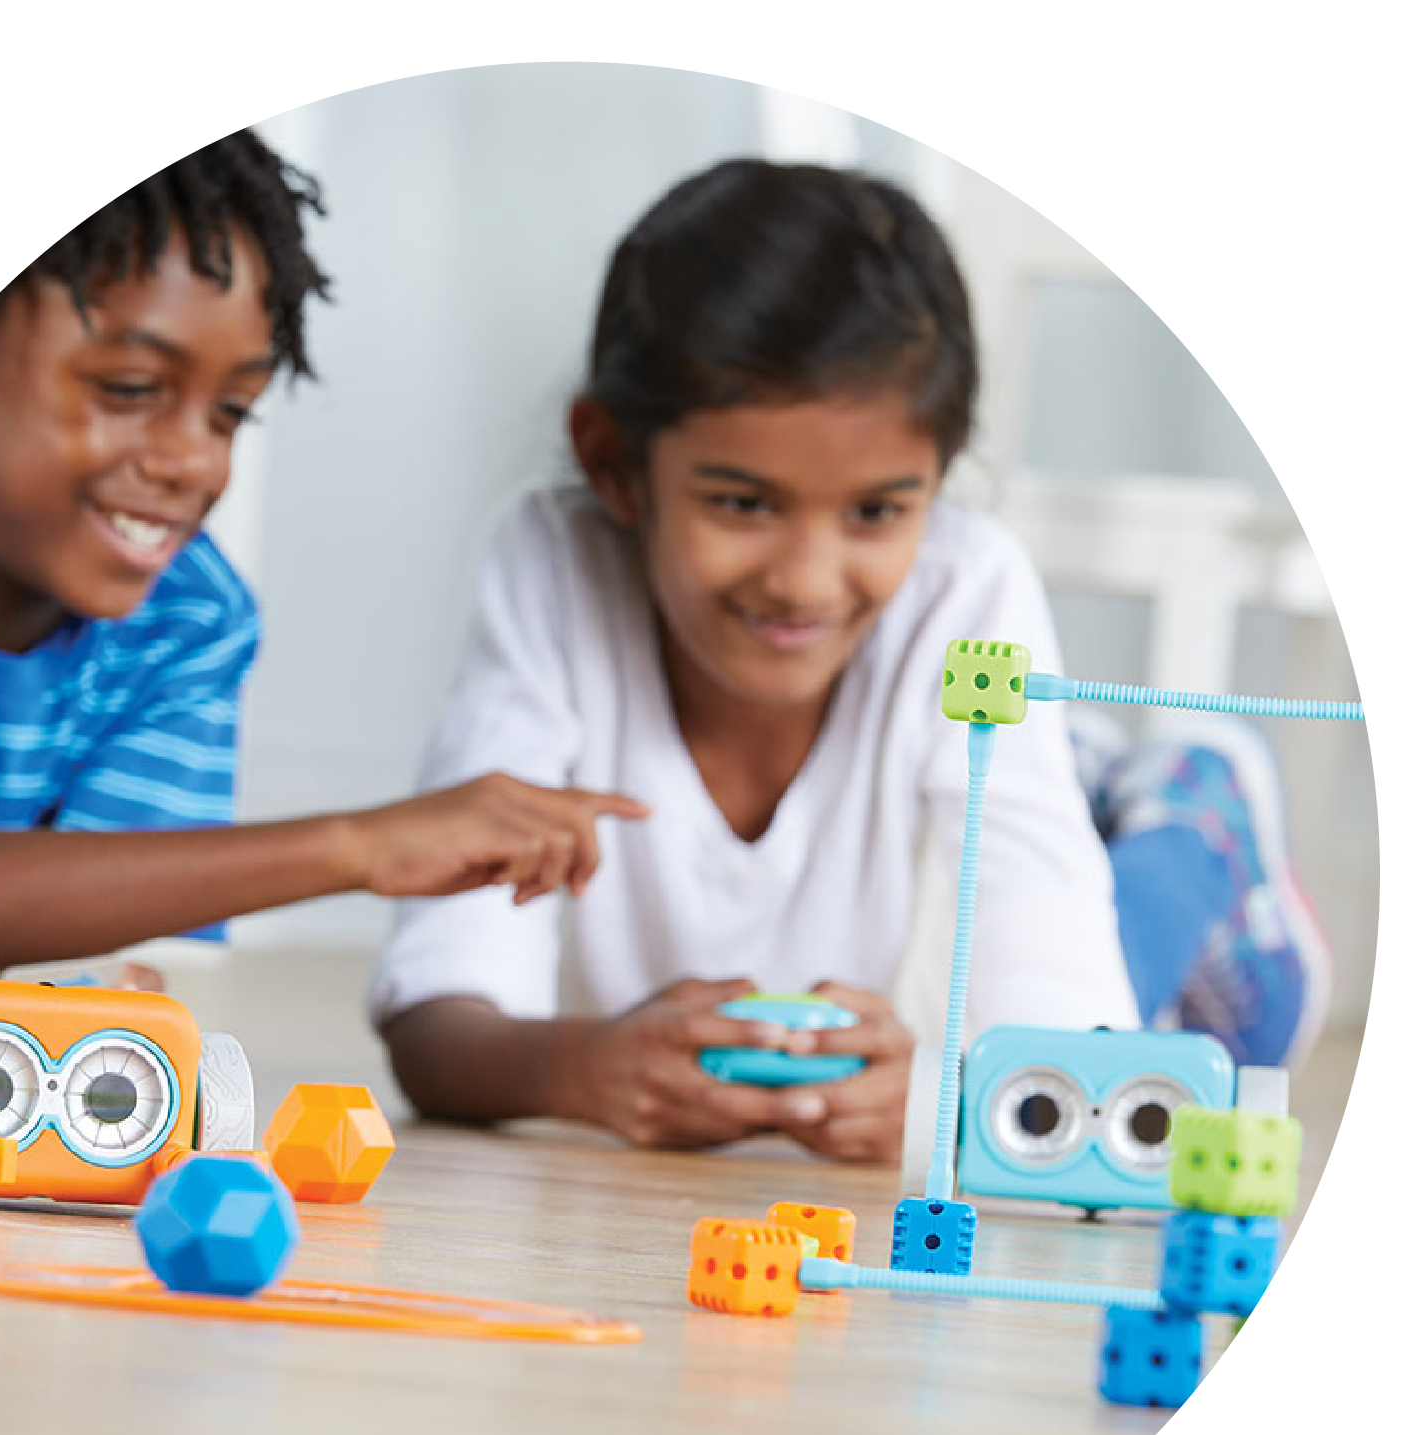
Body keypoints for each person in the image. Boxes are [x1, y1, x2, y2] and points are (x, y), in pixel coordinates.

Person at [368, 158, 1329, 1163]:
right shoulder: (551, 567)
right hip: (923, 854)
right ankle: (1083, 766)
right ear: (611, 462)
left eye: (875, 511)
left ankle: (1194, 819)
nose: (805, 582)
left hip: (1010, 942)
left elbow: (1070, 1049)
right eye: (742, 503)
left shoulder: (966, 589)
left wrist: (939, 1102)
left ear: (936, 482)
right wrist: (578, 1070)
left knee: (1127, 1020)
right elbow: (437, 1022)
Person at [0, 129, 645, 1067]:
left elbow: (72, 949)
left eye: (229, 412)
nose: (193, 461)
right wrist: (361, 844)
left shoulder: (187, 618)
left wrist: (91, 1000)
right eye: (130, 388)